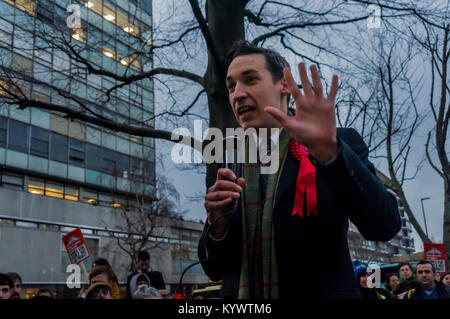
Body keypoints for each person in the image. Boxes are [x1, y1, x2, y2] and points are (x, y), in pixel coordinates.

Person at [198, 40, 401, 299]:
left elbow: (384, 226)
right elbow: (214, 269)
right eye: (231, 86)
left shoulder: (335, 144)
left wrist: (331, 153)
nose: (237, 94)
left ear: (284, 84)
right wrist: (216, 224)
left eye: (250, 80)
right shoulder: (229, 163)